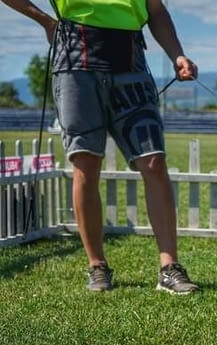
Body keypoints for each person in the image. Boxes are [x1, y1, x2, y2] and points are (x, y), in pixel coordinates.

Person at [2, 0, 199, 294]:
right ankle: (97, 265)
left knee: (154, 162)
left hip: (131, 63)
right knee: (86, 165)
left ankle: (169, 267)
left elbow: (156, 11)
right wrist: (45, 20)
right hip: (74, 66)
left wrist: (177, 54)